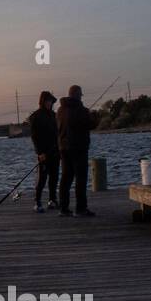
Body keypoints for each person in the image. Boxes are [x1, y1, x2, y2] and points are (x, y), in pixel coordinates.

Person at [56, 84, 98, 218]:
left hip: (63, 149)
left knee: (66, 178)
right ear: (77, 95)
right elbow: (91, 125)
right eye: (80, 95)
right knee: (80, 179)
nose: (81, 97)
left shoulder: (60, 110)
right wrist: (95, 117)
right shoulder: (82, 110)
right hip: (79, 149)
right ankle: (80, 209)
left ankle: (63, 208)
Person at [28, 91, 59, 212]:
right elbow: (34, 137)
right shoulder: (35, 116)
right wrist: (39, 153)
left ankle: (52, 200)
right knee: (42, 178)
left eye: (51, 101)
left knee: (54, 177)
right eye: (47, 101)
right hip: (43, 153)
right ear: (42, 101)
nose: (49, 103)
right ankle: (37, 201)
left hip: (55, 152)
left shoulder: (54, 115)